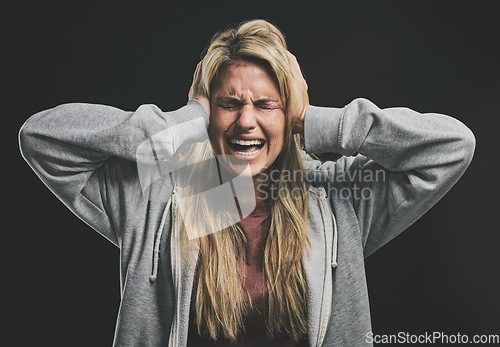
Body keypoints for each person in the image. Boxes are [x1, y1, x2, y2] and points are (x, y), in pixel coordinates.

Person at [18, 19, 475, 347]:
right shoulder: (158, 197)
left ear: (289, 113)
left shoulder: (337, 197)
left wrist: (312, 120)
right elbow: (42, 138)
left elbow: (451, 147)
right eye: (228, 103)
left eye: (266, 104)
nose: (246, 121)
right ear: (207, 109)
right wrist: (186, 121)